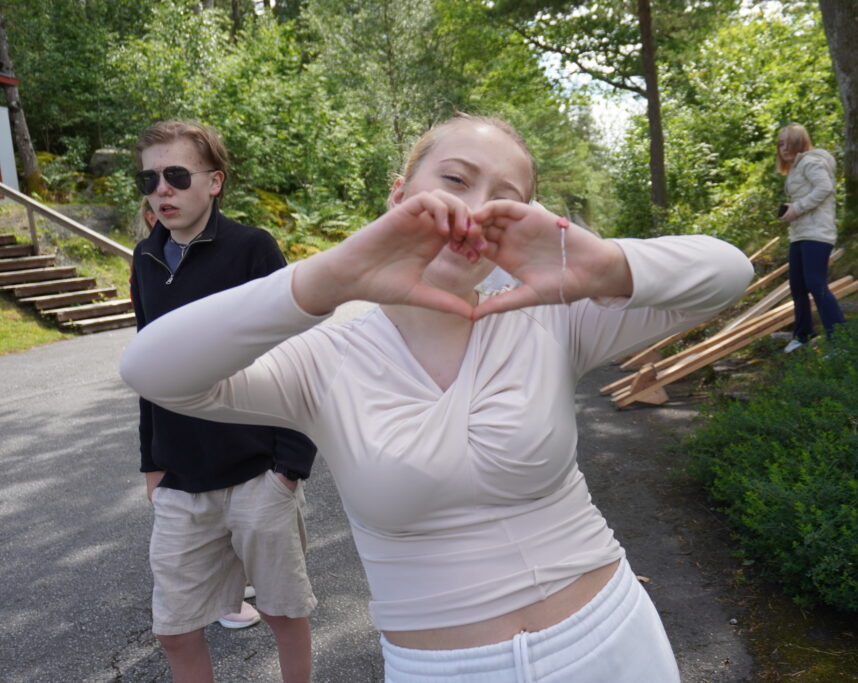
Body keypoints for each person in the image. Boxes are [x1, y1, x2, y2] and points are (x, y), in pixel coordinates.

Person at [121, 113, 754, 682]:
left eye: (506, 201)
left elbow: (728, 273)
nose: (475, 211)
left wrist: (604, 264)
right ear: (399, 194)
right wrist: (327, 278)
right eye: (455, 179)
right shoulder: (324, 357)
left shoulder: (551, 317)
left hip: (613, 643)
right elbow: (152, 368)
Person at [128, 120, 317, 681]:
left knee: (284, 615)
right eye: (149, 179)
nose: (162, 189)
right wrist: (153, 464)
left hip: (260, 473)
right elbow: (148, 367)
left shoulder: (251, 248)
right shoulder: (145, 258)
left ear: (214, 182)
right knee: (175, 630)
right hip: (182, 481)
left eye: (176, 175)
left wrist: (290, 467)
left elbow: (298, 355)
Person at [776, 123, 846, 353]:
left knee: (816, 283)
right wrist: (791, 210)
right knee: (797, 286)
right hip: (799, 234)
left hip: (817, 233)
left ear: (800, 143)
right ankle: (803, 334)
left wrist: (796, 208)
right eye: (780, 144)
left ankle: (841, 340)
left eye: (788, 143)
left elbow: (825, 188)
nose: (784, 148)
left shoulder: (811, 162)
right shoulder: (796, 168)